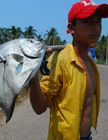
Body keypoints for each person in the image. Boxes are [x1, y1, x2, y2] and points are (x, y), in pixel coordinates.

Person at [30, 0, 108, 140]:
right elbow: (39, 107)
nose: (96, 27)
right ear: (71, 28)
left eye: (98, 21)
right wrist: (33, 76)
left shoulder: (91, 63)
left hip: (87, 136)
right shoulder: (60, 60)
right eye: (88, 21)